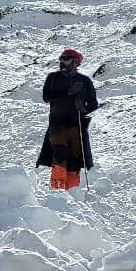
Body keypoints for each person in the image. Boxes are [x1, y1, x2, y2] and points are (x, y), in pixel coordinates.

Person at [37, 48, 98, 189]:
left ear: (76, 62)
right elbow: (47, 97)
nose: (63, 61)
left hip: (76, 124)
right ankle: (57, 190)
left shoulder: (85, 81)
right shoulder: (53, 78)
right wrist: (68, 94)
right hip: (57, 124)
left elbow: (93, 104)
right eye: (61, 58)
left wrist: (83, 109)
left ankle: (71, 192)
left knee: (74, 161)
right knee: (60, 156)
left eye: (66, 58)